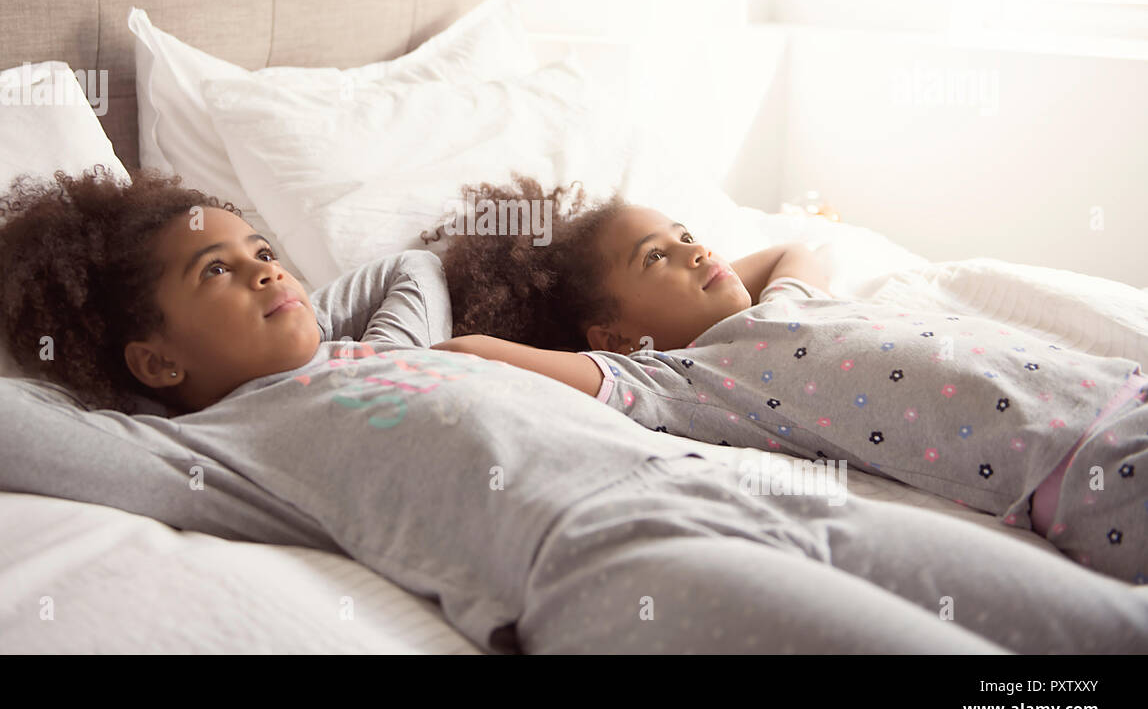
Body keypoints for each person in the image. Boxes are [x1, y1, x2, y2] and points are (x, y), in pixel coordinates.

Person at [0, 165, 1148, 654]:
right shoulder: (204, 448)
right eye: (216, 273)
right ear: (155, 358)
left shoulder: (381, 343)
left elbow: (408, 274)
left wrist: (283, 293)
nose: (267, 269)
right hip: (620, 563)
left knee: (1101, 634)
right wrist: (125, 373)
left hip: (761, 496)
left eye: (266, 245)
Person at [428, 177, 1148, 587]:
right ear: (611, 339)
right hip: (1080, 467)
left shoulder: (784, 305)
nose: (694, 249)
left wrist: (702, 280)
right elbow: (471, 351)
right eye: (657, 257)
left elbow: (792, 248)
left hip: (1116, 387)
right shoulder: (685, 380)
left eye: (687, 235)